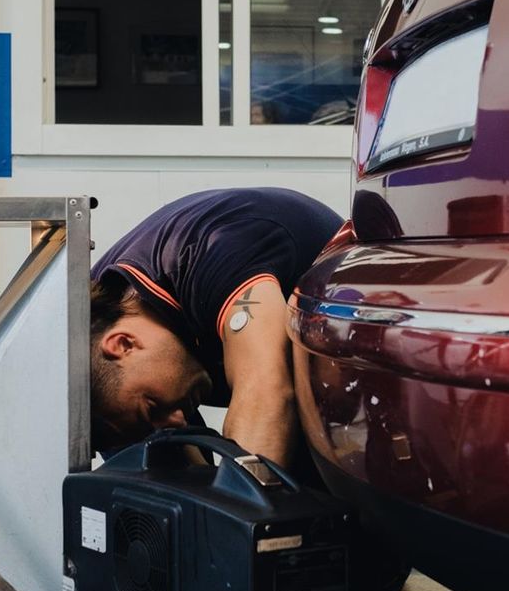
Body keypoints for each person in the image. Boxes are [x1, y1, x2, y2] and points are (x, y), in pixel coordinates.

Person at [89, 187, 343, 467]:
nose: (176, 421)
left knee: (268, 480)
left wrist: (239, 504)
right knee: (140, 449)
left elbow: (265, 389)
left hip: (345, 379)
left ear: (124, 344)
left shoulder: (211, 252)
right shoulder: (90, 326)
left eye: (152, 406)